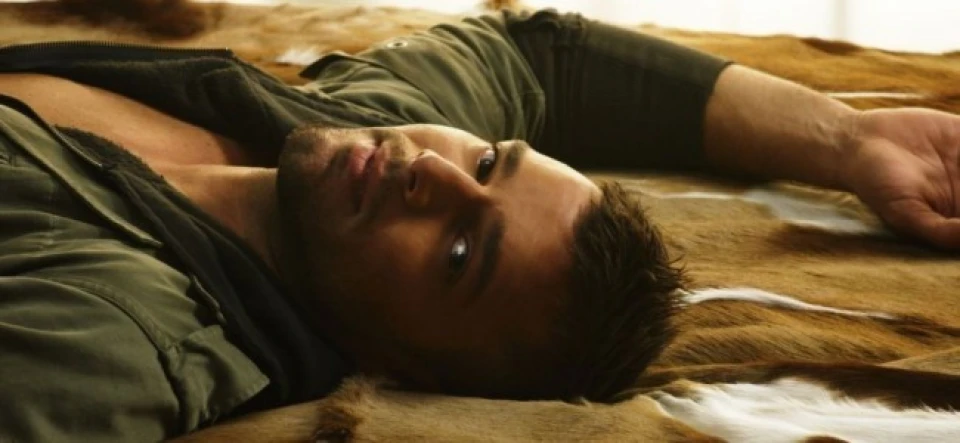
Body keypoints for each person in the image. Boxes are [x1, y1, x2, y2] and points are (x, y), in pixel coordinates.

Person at [1, 7, 959, 441]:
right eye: (490, 162)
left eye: (460, 253)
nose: (432, 173)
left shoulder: (115, 332)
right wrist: (848, 138)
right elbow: (541, 58)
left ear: (410, 369)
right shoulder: (354, 135)